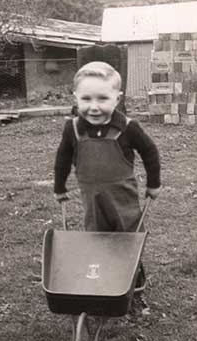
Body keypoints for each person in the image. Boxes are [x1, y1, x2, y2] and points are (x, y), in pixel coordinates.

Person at [54, 61, 160, 233]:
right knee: (95, 236)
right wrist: (59, 187)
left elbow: (150, 152)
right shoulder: (73, 129)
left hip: (123, 199)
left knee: (128, 234)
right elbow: (63, 158)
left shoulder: (127, 127)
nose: (94, 107)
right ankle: (98, 261)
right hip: (91, 200)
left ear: (117, 99)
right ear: (76, 98)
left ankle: (132, 260)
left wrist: (153, 184)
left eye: (103, 99)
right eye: (86, 99)